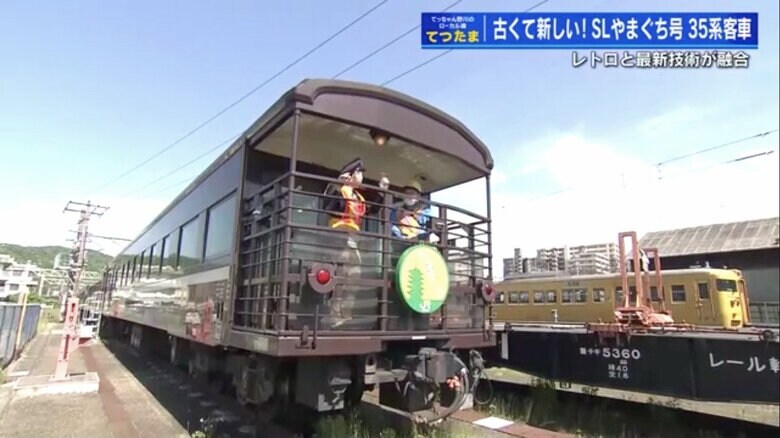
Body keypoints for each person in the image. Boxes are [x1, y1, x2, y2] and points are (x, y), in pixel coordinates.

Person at [325, 158, 390, 327]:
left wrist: (381, 191)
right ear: (350, 175)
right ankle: (335, 315)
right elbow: (329, 206)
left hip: (354, 239)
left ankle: (346, 314)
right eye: (359, 173)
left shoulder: (358, 197)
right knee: (341, 278)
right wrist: (339, 185)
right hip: (340, 236)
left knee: (354, 278)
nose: (361, 177)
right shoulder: (339, 190)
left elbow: (371, 209)